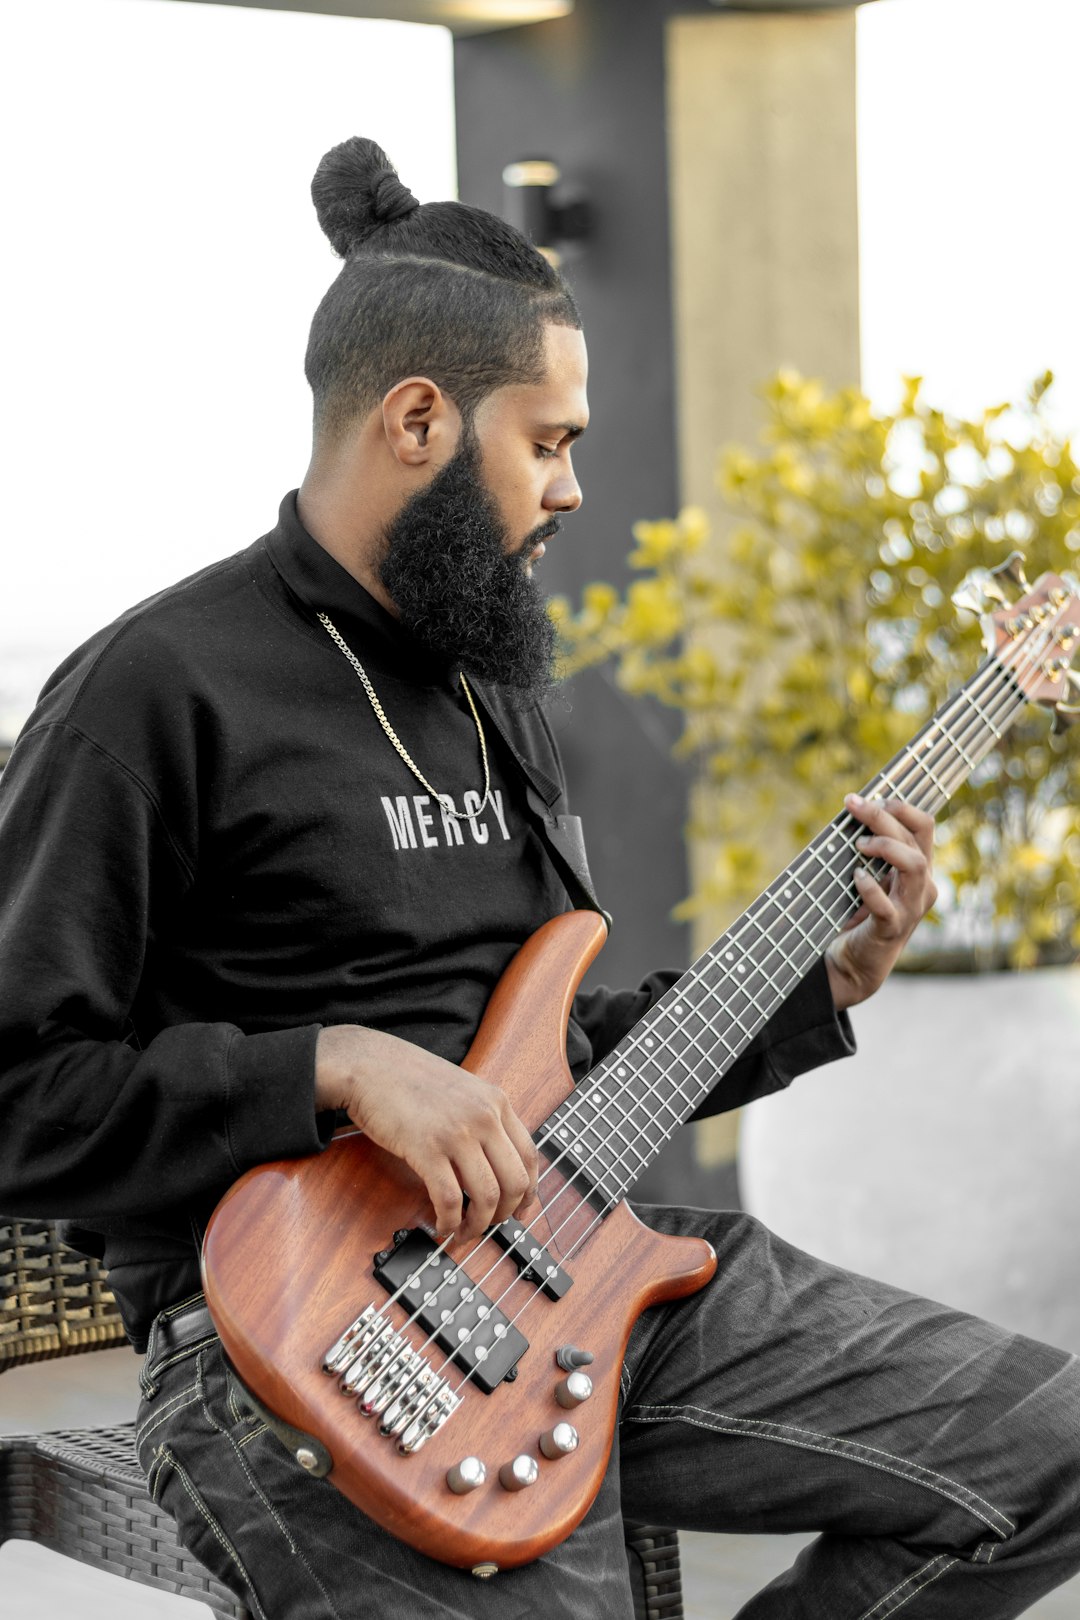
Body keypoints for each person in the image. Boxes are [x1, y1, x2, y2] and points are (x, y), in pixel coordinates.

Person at [0, 136, 1077, 1620]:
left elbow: (557, 1066)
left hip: (570, 1276)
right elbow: (20, 1096)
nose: (573, 488)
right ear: (423, 421)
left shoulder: (487, 689)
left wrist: (817, 986)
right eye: (551, 442)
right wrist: (338, 1070)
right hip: (293, 1344)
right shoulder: (153, 690)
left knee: (1055, 1451)